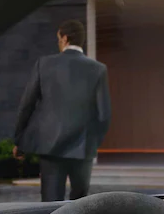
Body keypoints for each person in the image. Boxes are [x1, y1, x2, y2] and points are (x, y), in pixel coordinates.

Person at [13, 19, 111, 201]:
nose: (58, 42)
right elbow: (104, 116)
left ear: (65, 38)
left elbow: (27, 104)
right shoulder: (98, 69)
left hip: (51, 148)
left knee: (50, 203)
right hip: (83, 148)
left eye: (58, 39)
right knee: (80, 204)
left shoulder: (44, 65)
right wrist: (92, 143)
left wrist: (19, 140)